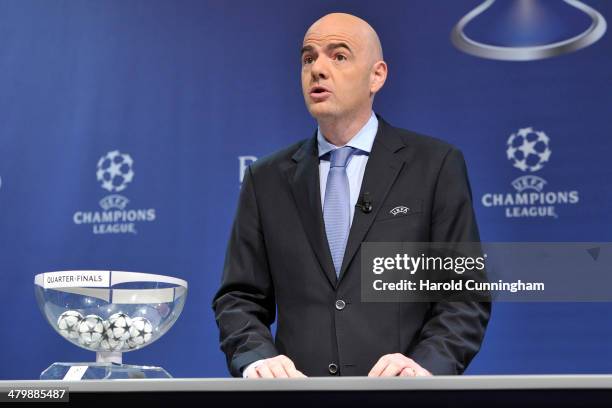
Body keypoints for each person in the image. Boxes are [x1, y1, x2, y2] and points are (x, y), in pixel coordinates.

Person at [212, 12, 490, 378]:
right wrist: (256, 359)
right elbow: (239, 298)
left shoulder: (435, 165)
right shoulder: (266, 179)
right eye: (308, 58)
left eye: (338, 56)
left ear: (377, 75)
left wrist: (425, 367)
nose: (318, 69)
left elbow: (463, 295)